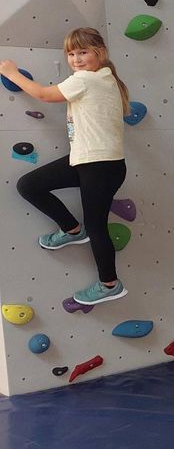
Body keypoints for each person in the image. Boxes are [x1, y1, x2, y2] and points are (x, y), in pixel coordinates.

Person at [0, 27, 131, 305]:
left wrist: (12, 74)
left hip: (99, 165)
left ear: (100, 53)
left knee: (97, 226)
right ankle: (71, 229)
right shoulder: (105, 79)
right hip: (88, 160)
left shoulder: (86, 79)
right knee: (29, 185)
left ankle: (109, 284)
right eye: (71, 54)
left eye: (83, 52)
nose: (76, 59)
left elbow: (44, 95)